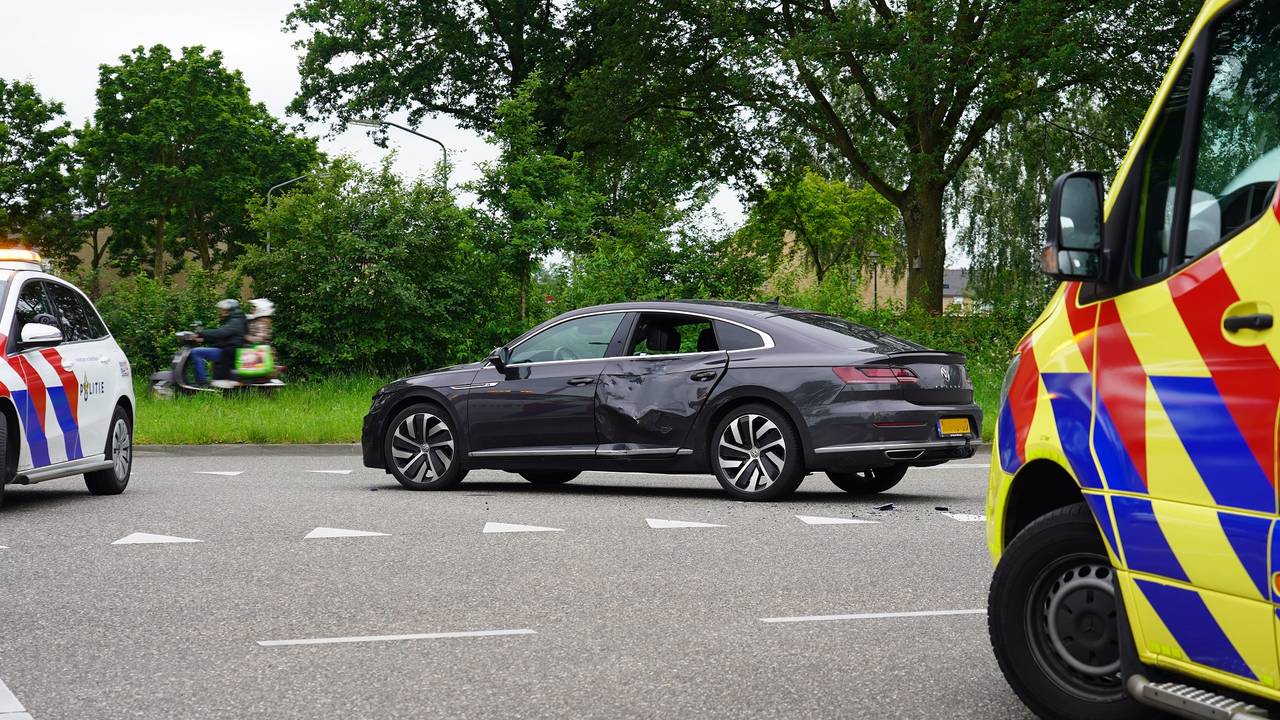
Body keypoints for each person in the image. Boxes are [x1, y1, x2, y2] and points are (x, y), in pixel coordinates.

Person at [191, 299, 247, 386]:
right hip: (227, 350)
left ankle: (202, 383)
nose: (220, 312)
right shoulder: (234, 320)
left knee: (197, 352)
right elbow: (224, 337)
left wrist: (201, 333)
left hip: (229, 352)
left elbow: (221, 333)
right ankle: (204, 382)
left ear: (230, 310)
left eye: (223, 310)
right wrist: (203, 339)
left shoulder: (235, 321)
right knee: (198, 352)